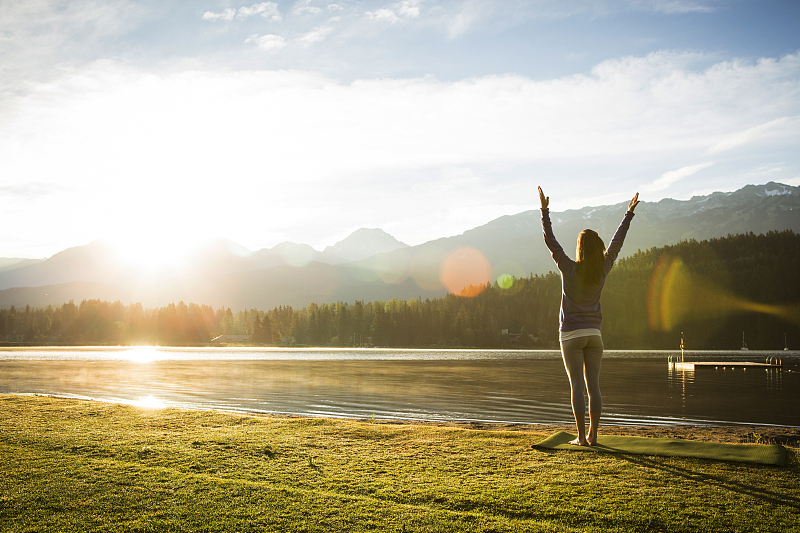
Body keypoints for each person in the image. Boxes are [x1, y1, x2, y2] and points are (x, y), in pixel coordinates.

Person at [538, 186, 639, 446]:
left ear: (580, 248)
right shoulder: (602, 270)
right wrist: (628, 215)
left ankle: (581, 438)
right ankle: (594, 435)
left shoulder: (569, 268)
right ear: (598, 249)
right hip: (594, 335)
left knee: (577, 386)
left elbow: (551, 242)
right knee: (593, 385)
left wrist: (544, 211)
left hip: (570, 335)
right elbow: (617, 243)